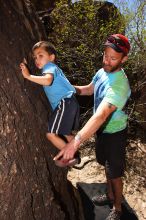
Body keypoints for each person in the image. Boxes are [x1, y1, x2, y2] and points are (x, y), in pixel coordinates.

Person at [54, 34, 131, 220]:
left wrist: (75, 143)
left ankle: (118, 208)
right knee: (105, 165)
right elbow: (90, 88)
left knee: (115, 173)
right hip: (102, 132)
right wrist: (69, 89)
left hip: (115, 134)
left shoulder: (120, 85)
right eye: (105, 55)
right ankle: (110, 195)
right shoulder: (102, 71)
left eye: (113, 58)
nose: (107, 61)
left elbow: (101, 114)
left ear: (124, 59)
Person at [20, 41, 80, 167]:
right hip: (70, 102)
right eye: (35, 57)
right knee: (65, 133)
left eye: (40, 55)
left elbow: (47, 81)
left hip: (66, 102)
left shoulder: (49, 67)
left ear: (51, 57)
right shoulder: (52, 69)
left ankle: (71, 156)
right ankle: (76, 155)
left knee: (51, 134)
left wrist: (28, 76)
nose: (37, 59)